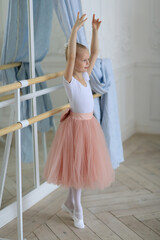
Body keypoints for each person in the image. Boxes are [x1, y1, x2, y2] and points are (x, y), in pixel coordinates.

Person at [44, 12, 115, 229]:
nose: (86, 63)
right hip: (75, 128)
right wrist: (74, 30)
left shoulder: (85, 76)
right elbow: (73, 57)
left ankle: (69, 202)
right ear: (73, 62)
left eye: (86, 61)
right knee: (76, 171)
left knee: (80, 169)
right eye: (82, 61)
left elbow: (94, 53)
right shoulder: (70, 80)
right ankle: (77, 209)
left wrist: (94, 31)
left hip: (88, 126)